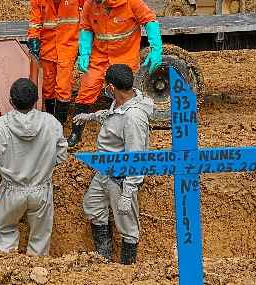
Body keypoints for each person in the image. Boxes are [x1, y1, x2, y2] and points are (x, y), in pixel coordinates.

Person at [74, 64, 154, 264]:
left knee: (128, 227)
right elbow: (112, 117)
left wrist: (128, 191)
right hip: (104, 171)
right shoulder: (120, 102)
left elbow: (137, 156)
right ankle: (104, 259)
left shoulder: (134, 117)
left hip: (120, 178)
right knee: (93, 206)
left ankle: (127, 270)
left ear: (111, 87)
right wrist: (92, 116)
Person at [0, 78, 68, 256]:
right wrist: (43, 167)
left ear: (11, 101)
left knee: (5, 231)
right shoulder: (52, 123)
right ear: (36, 100)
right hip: (41, 189)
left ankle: (7, 272)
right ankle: (36, 274)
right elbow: (61, 156)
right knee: (40, 237)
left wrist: (4, 171)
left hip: (11, 190)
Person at [67, 0, 162, 148]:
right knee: (86, 90)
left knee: (124, 95)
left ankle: (127, 130)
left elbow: (150, 20)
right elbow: (86, 28)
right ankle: (75, 133)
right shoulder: (90, 5)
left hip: (125, 55)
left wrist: (156, 48)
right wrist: (84, 52)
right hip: (99, 56)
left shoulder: (131, 2)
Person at [26, 0, 84, 126]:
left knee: (63, 86)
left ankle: (59, 124)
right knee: (48, 87)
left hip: (68, 45)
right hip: (48, 46)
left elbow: (90, 11)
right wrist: (33, 38)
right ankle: (50, 119)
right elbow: (35, 22)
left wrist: (85, 46)